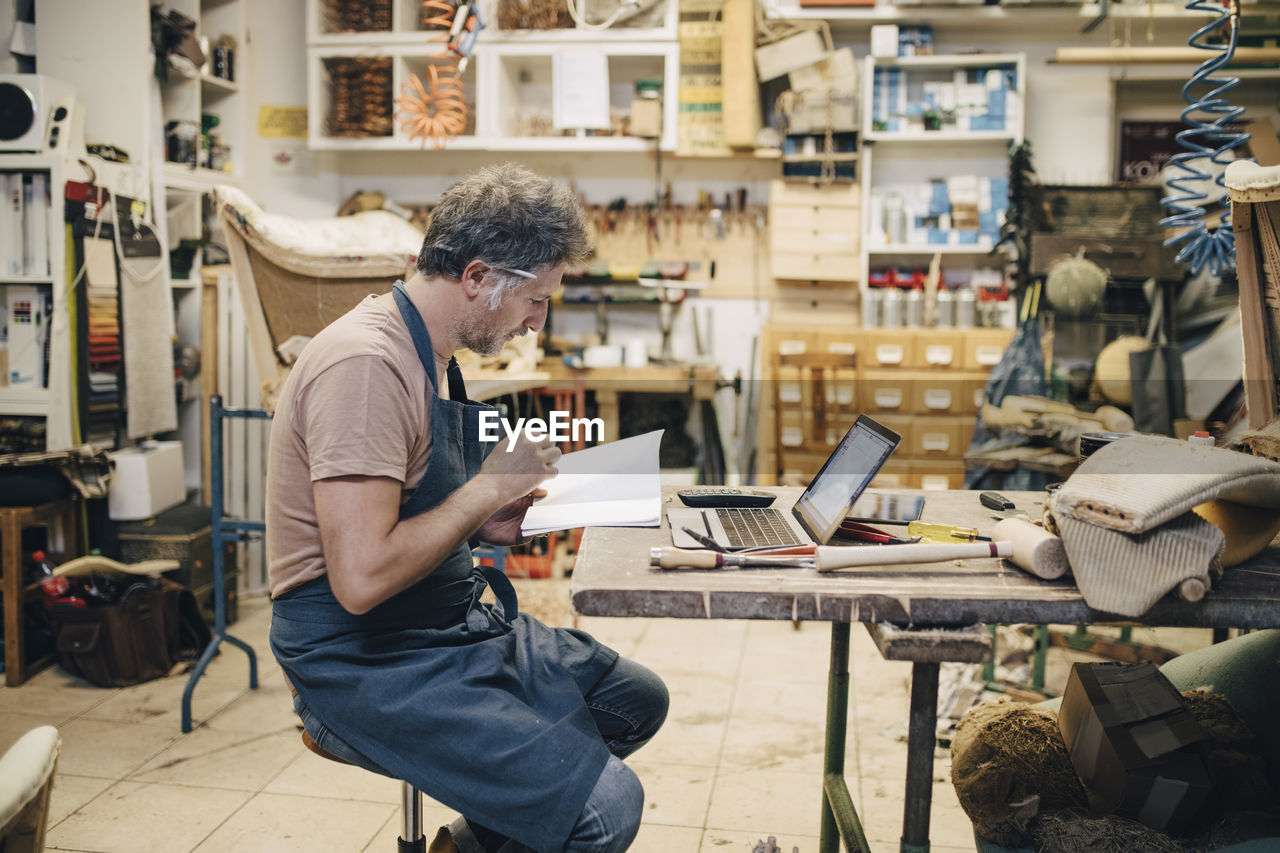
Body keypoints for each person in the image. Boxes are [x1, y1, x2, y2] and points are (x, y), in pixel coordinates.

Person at [266, 163, 669, 853]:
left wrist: (486, 519)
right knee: (606, 808)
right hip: (363, 660)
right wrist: (483, 488)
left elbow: (404, 508)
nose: (538, 324)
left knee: (633, 699)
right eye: (535, 300)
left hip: (441, 622)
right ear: (478, 277)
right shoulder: (365, 366)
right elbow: (360, 579)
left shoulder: (435, 355)